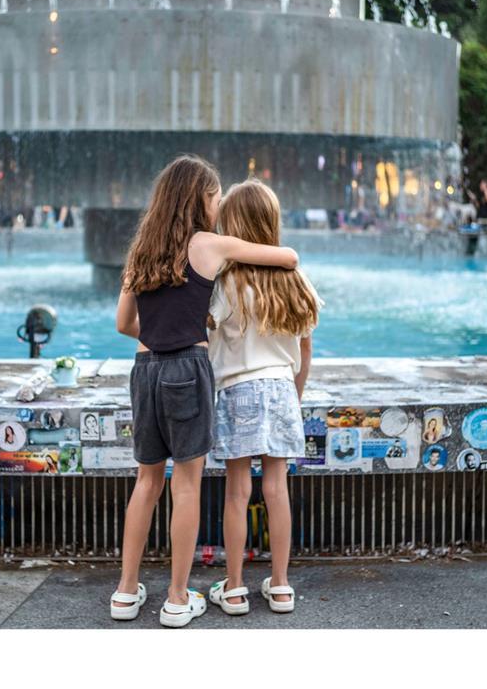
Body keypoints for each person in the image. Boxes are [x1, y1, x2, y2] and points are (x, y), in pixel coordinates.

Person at [110, 154, 300, 628]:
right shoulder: (210, 245)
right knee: (186, 485)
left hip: (144, 370)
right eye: (215, 197)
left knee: (146, 482)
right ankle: (177, 598)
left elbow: (123, 324)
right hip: (187, 370)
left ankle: (125, 591)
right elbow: (287, 257)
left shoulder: (141, 250)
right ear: (200, 198)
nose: (217, 205)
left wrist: (159, 328)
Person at [205, 179, 322, 618]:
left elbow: (205, 333)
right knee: (276, 488)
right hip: (282, 388)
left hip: (238, 389)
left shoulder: (227, 283)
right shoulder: (295, 278)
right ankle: (281, 585)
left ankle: (235, 588)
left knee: (238, 491)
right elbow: (305, 348)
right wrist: (296, 394)